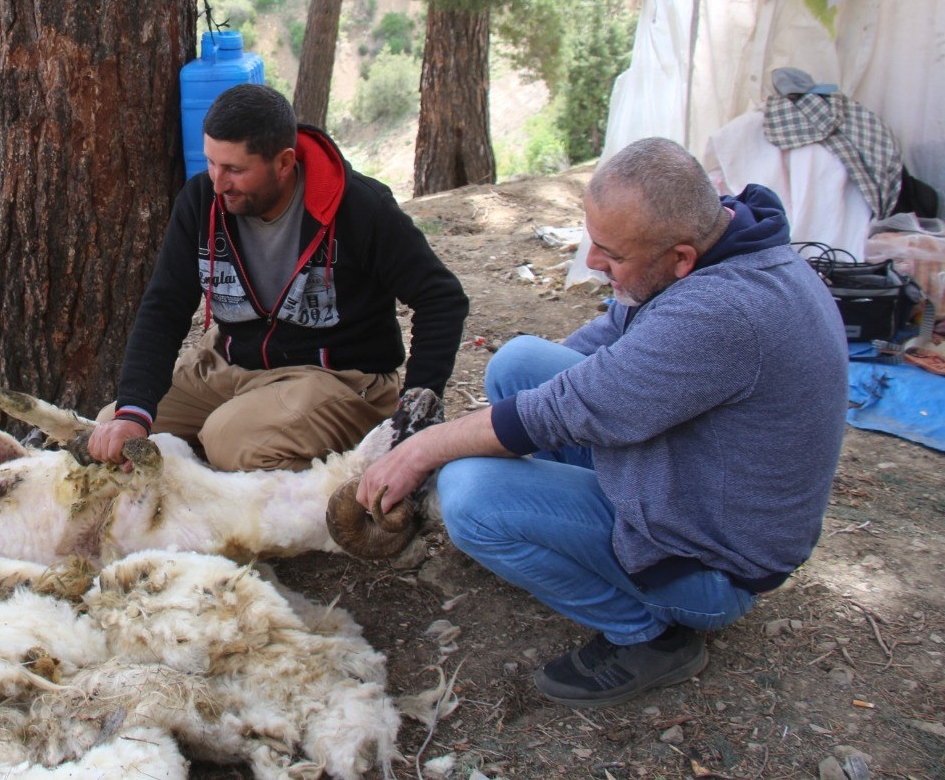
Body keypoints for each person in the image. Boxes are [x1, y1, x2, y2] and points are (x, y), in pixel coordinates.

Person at [358, 137, 848, 707]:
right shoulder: (727, 242)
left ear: (680, 258)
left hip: (712, 563)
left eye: (611, 256)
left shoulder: (722, 314)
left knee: (470, 497)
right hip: (692, 479)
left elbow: (565, 409)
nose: (592, 263)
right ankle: (542, 534)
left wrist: (421, 450)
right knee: (519, 363)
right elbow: (607, 343)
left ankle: (649, 636)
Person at [89, 83, 469, 472]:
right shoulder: (201, 200)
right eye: (211, 163)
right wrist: (133, 413)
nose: (218, 184)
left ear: (284, 163)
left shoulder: (360, 207)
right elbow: (164, 307)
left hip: (337, 379)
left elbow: (441, 298)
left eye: (235, 169)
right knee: (114, 431)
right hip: (230, 364)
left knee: (231, 442)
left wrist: (415, 410)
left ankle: (336, 492)